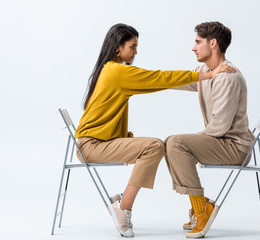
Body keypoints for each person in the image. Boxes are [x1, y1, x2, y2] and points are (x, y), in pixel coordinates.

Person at [74, 23, 235, 238]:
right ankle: (124, 207)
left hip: (96, 143)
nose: (136, 52)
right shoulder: (117, 71)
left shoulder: (110, 70)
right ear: (118, 48)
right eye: (133, 47)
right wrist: (207, 75)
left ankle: (123, 202)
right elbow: (159, 78)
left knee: (155, 146)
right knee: (154, 146)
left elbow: (159, 80)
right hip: (91, 145)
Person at [164, 21, 255, 238]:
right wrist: (146, 79)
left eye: (197, 42)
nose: (193, 47)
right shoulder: (207, 71)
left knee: (176, 143)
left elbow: (219, 126)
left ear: (213, 43)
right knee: (170, 143)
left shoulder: (228, 77)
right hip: (220, 141)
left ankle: (202, 211)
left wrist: (194, 146)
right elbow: (182, 79)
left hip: (234, 147)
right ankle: (201, 207)